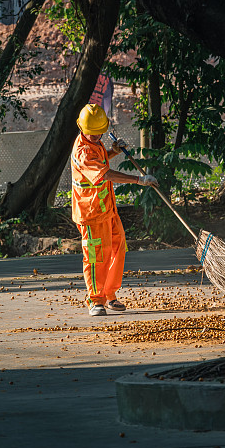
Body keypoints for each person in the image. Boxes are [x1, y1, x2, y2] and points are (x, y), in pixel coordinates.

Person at [72, 103, 157, 317]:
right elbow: (105, 174)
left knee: (117, 250)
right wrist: (139, 180)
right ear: (82, 129)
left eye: (100, 132)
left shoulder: (95, 142)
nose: (96, 136)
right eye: (92, 133)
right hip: (90, 215)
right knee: (95, 257)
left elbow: (100, 160)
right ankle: (95, 299)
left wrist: (114, 151)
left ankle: (109, 294)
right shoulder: (82, 151)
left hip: (107, 209)